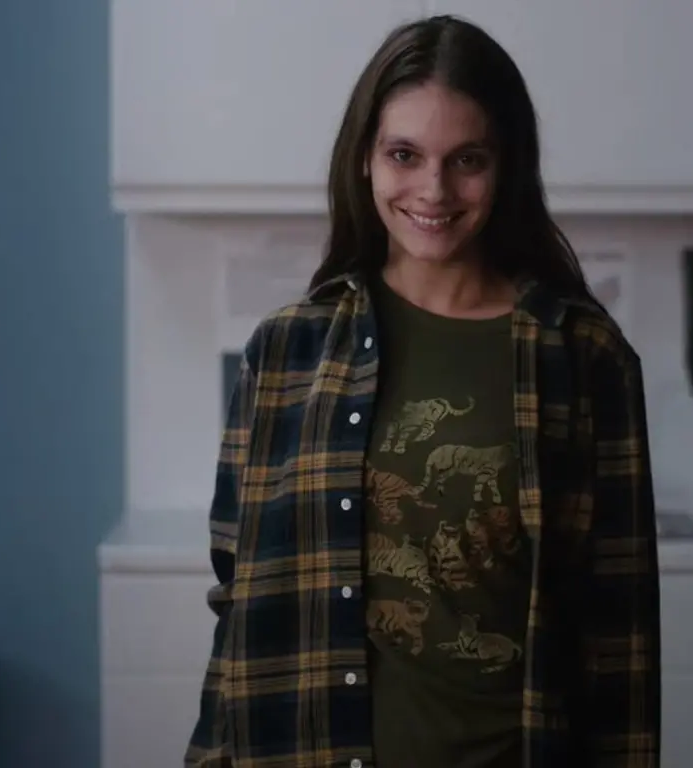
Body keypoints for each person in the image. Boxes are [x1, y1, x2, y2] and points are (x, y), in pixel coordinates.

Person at [185, 14, 659, 768]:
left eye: (467, 159)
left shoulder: (582, 355)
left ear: (506, 167)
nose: (433, 190)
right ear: (365, 160)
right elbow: (237, 603)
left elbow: (620, 633)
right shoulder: (286, 351)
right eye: (404, 154)